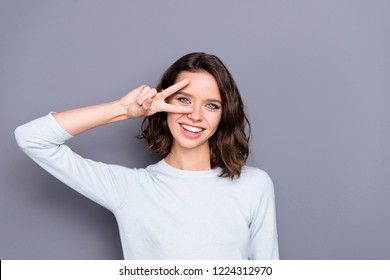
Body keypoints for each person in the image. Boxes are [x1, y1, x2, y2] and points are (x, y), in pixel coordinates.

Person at [14, 52, 279, 260]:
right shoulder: (130, 189)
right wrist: (122, 109)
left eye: (211, 105)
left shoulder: (254, 185)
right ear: (163, 103)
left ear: (224, 115)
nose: (196, 115)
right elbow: (32, 139)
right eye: (184, 100)